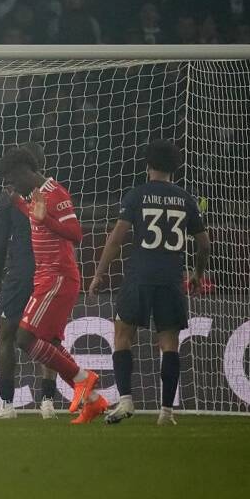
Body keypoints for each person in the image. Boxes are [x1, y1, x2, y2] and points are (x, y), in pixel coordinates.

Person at [88, 140, 211, 426]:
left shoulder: (137, 195)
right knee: (169, 343)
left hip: (140, 276)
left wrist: (98, 274)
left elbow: (116, 239)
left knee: (122, 335)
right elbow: (204, 245)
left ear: (148, 165)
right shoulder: (186, 199)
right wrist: (197, 274)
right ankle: (166, 412)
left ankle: (126, 401)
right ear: (175, 168)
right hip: (171, 278)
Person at [0, 145, 106, 424]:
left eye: (12, 180)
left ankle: (82, 378)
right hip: (45, 277)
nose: (12, 186)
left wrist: (46, 219)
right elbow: (35, 216)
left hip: (58, 276)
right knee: (47, 343)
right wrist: (18, 202)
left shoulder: (55, 193)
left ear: (24, 171)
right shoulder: (34, 195)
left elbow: (76, 234)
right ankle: (93, 400)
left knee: (24, 339)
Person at [0, 144, 58, 420]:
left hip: (21, 273)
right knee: (48, 336)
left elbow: (0, 243)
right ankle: (48, 403)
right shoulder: (56, 193)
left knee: (6, 334)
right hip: (49, 272)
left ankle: (7, 405)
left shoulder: (9, 197)